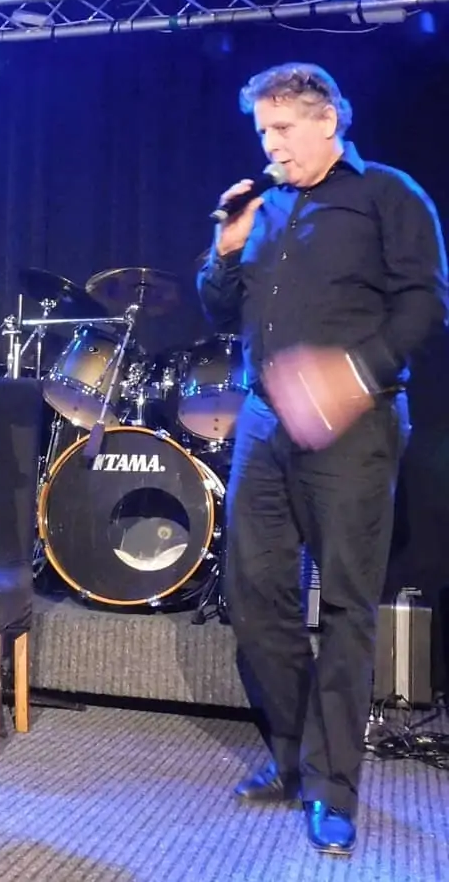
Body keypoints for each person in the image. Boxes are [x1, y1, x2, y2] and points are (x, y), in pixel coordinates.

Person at [197, 63, 447, 855]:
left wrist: (352, 375)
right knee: (253, 594)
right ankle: (293, 754)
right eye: (262, 132)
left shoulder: (389, 195)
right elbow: (218, 306)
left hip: (357, 420)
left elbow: (426, 302)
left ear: (328, 120)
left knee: (344, 604)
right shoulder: (265, 207)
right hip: (265, 420)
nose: (270, 146)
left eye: (282, 130)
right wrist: (224, 250)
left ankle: (333, 787)